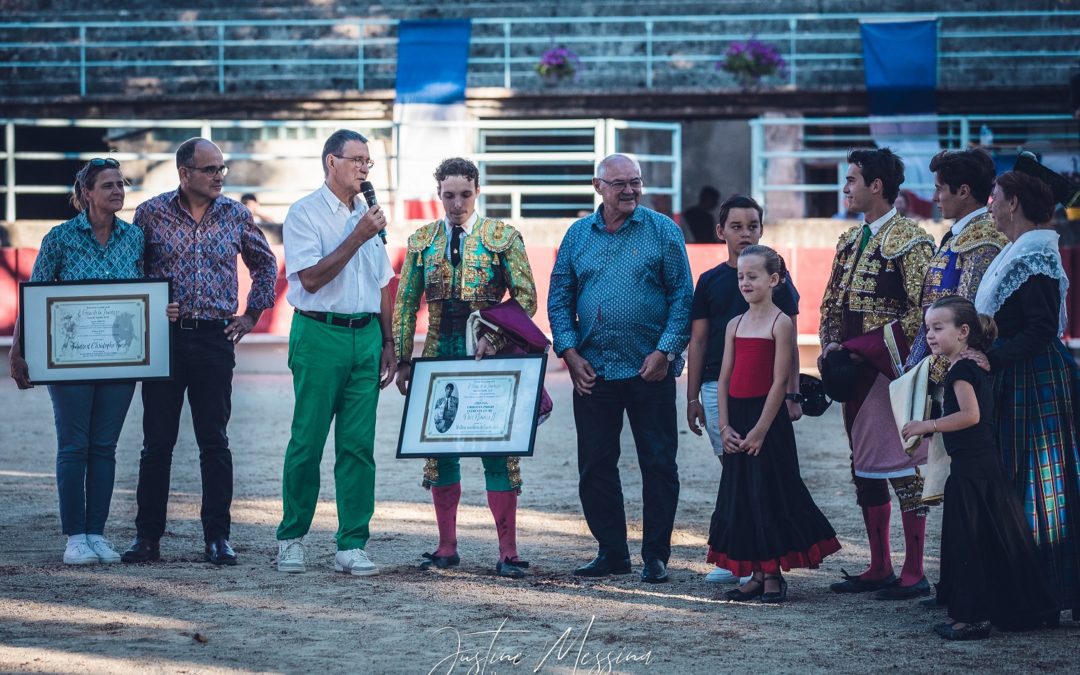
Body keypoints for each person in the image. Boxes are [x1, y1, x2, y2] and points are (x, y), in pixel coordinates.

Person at [123, 138, 278, 566]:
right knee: (157, 443)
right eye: (210, 169)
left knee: (215, 441)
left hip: (214, 338)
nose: (219, 177)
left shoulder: (236, 213)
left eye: (222, 169)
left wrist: (252, 316)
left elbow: (265, 263)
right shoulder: (150, 213)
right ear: (184, 173)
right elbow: (131, 271)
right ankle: (147, 538)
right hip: (165, 339)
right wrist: (154, 307)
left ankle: (218, 538)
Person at [9, 159, 170, 565]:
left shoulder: (134, 238)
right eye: (109, 185)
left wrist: (161, 309)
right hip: (69, 361)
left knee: (104, 447)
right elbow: (36, 298)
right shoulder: (60, 238)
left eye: (121, 184)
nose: (118, 190)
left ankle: (96, 533)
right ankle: (74, 537)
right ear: (87, 194)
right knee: (73, 445)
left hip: (120, 359)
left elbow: (142, 295)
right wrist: (17, 350)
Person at [548, 153, 694, 583]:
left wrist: (665, 352)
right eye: (619, 183)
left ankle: (656, 556)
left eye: (635, 182)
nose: (629, 190)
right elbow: (559, 299)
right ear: (598, 187)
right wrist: (570, 355)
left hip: (650, 369)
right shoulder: (577, 235)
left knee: (659, 463)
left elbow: (682, 297)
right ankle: (612, 552)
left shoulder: (663, 231)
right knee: (595, 464)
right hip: (593, 371)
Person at [393, 157, 538, 579]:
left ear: (478, 191)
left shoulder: (503, 237)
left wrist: (493, 338)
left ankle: (507, 552)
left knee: (499, 451)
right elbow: (405, 305)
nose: (457, 203)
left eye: (465, 195)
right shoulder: (421, 240)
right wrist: (404, 358)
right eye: (449, 195)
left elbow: (526, 298)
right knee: (440, 453)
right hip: (439, 355)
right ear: (438, 194)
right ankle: (446, 546)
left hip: (488, 356)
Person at [274, 129, 396, 577]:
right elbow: (309, 279)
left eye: (368, 162)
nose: (365, 168)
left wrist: (388, 342)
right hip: (319, 333)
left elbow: (384, 282)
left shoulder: (368, 212)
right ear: (331, 161)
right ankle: (291, 538)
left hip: (365, 335)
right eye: (357, 159)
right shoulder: (304, 213)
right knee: (307, 439)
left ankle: (352, 543)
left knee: (359, 446)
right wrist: (358, 236)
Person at [901, 296, 1058, 639]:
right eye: (928, 328)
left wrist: (926, 426)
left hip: (973, 470)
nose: (930, 334)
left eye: (938, 328)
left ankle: (972, 619)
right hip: (980, 467)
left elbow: (971, 416)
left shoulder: (961, 369)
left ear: (963, 332)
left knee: (969, 544)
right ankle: (1007, 610)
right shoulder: (966, 366)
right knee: (991, 541)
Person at [819, 148, 935, 599]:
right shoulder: (850, 240)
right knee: (864, 468)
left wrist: (862, 348)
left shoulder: (912, 240)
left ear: (876, 186)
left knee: (904, 468)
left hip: (891, 371)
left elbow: (924, 311)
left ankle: (914, 569)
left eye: (851, 180)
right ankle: (880, 564)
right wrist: (831, 346)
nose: (846, 188)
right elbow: (831, 302)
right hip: (853, 371)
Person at [975, 170, 1080, 621]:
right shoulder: (1024, 249)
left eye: (995, 197)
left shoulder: (1034, 252)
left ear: (1013, 201)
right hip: (1021, 373)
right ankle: (1028, 591)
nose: (990, 205)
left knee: (1036, 483)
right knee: (1027, 482)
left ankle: (1038, 595)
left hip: (1031, 378)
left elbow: (1040, 329)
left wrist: (993, 359)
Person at [709, 245, 840, 603]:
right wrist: (723, 428)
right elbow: (723, 380)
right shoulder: (734, 324)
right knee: (743, 496)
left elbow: (780, 381)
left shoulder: (781, 323)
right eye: (740, 276)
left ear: (774, 279)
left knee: (768, 492)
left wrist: (762, 429)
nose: (745, 282)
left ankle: (772, 576)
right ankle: (754, 573)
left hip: (768, 422)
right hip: (737, 419)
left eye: (753, 276)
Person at [684, 195, 803, 585]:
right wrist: (692, 397)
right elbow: (698, 342)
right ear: (720, 232)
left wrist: (793, 394)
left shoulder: (777, 280)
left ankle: (756, 563)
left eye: (752, 225)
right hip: (722, 391)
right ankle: (742, 557)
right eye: (736, 226)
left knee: (761, 480)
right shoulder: (712, 282)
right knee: (734, 475)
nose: (745, 232)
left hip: (766, 397)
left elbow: (791, 350)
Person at [905, 148, 1007, 386]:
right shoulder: (958, 236)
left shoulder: (984, 241)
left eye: (939, 188)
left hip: (963, 374)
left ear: (963, 192)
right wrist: (915, 367)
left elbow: (969, 320)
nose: (934, 197)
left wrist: (933, 374)